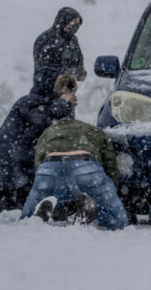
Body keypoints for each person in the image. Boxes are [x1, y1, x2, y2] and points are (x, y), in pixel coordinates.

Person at [20, 75, 128, 230]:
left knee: (26, 219)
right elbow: (110, 166)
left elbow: (39, 160)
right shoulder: (93, 131)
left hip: (50, 167)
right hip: (85, 164)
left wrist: (42, 185)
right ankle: (91, 211)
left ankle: (36, 214)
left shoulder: (49, 132)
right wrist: (109, 191)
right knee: (119, 222)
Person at [0, 68, 76, 212]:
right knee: (11, 208)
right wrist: (65, 105)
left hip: (23, 168)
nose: (66, 94)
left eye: (69, 91)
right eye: (63, 88)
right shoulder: (30, 101)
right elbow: (42, 120)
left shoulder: (51, 105)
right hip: (13, 166)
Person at [33, 7, 87, 84]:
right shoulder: (45, 39)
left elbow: (79, 64)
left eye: (78, 22)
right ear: (65, 20)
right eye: (74, 21)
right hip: (45, 90)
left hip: (67, 91)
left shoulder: (73, 41)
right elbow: (43, 70)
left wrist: (80, 73)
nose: (77, 25)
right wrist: (66, 72)